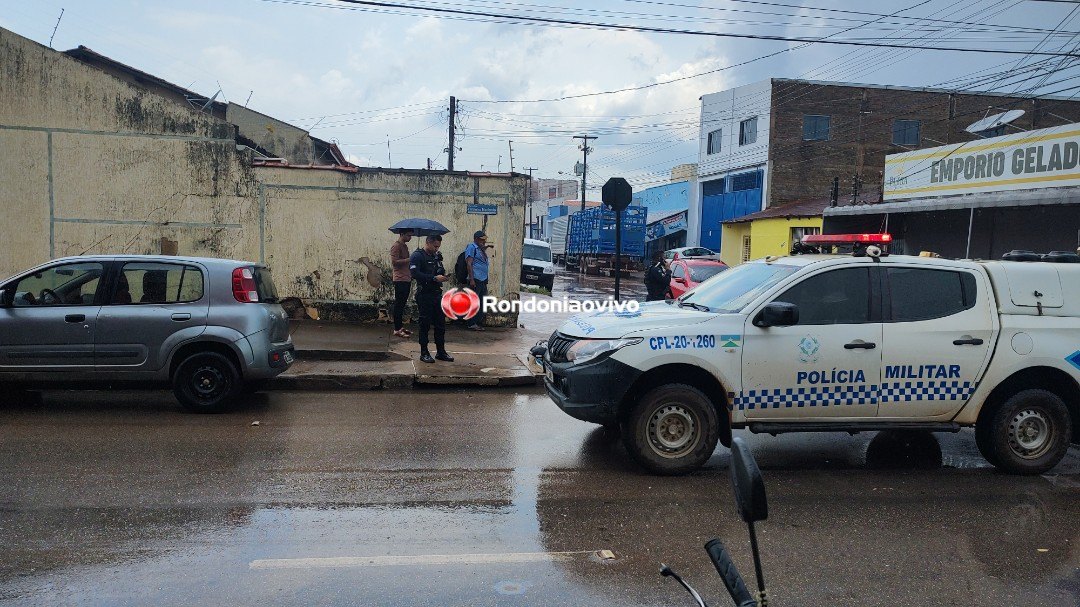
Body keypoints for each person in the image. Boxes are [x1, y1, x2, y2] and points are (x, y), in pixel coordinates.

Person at [409, 235, 454, 363]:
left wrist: (442, 273)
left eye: (438, 246)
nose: (436, 249)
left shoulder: (435, 256)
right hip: (424, 294)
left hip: (436, 294)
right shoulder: (417, 256)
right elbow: (415, 274)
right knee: (425, 324)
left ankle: (441, 351)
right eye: (435, 246)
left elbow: (438, 271)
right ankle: (424, 352)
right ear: (428, 242)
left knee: (440, 324)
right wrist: (433, 278)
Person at [464, 230, 492, 331]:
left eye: (484, 240)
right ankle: (471, 323)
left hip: (482, 280)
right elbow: (469, 264)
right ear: (476, 239)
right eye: (481, 240)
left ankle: (476, 322)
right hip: (475, 279)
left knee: (482, 302)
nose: (483, 242)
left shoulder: (480, 249)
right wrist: (471, 280)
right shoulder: (471, 248)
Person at [390, 229, 414, 338]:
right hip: (400, 278)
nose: (410, 237)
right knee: (399, 304)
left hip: (406, 277)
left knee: (402, 304)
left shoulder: (404, 246)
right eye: (408, 235)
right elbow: (394, 262)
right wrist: (409, 259)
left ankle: (400, 327)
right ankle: (397, 329)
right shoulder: (396, 246)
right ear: (402, 234)